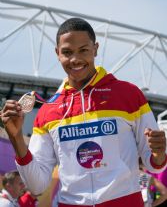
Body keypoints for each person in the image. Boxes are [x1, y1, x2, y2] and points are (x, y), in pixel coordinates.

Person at [1, 17, 167, 207]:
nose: (75, 59)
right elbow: (37, 186)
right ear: (57, 53)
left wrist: (159, 153)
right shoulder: (48, 111)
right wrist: (16, 138)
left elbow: (155, 163)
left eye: (84, 50)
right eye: (67, 52)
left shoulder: (129, 95)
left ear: (95, 49)